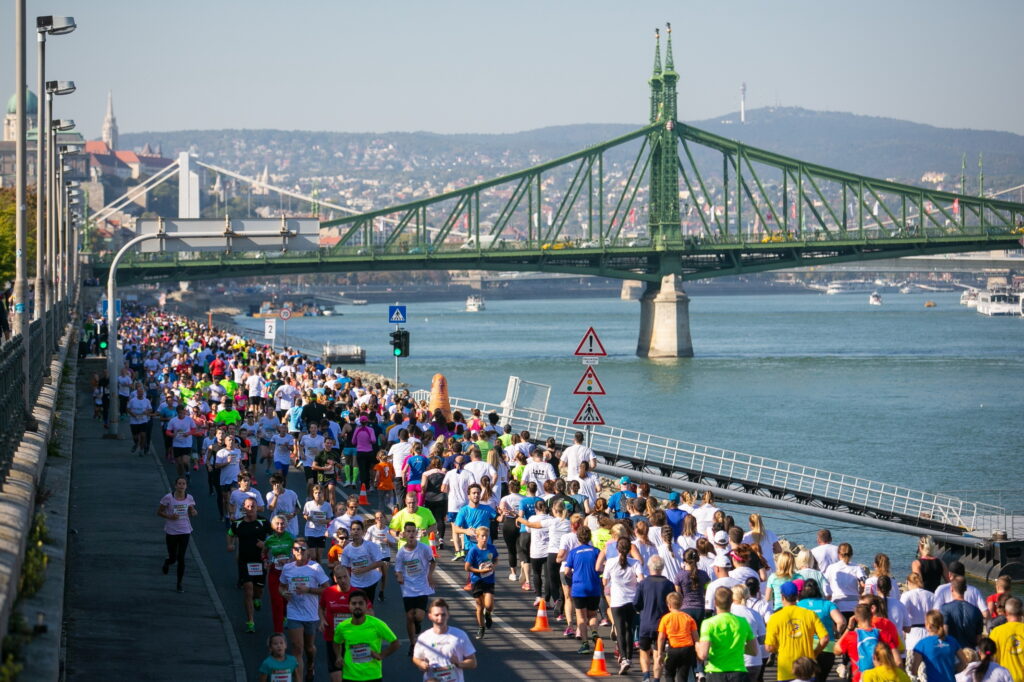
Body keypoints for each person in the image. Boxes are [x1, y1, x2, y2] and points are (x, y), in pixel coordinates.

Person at [280, 539, 330, 682]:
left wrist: (308, 589)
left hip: (311, 614)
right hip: (294, 612)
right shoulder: (288, 568)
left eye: (303, 549)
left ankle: (311, 665)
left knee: (309, 647)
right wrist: (284, 594)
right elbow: (281, 587)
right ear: (293, 551)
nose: (300, 551)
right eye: (297, 549)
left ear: (307, 551)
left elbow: (327, 589)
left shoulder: (315, 568)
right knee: (297, 648)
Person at [766, 581, 829, 682]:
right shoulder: (810, 614)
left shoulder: (774, 618)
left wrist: (779, 648)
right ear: (798, 595)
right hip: (807, 667)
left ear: (782, 597)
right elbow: (825, 638)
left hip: (785, 669)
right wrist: (814, 653)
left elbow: (769, 647)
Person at [332, 590, 399, 682]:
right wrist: (338, 656)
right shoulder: (342, 626)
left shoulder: (377, 624)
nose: (357, 606)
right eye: (354, 603)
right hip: (350, 676)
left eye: (360, 603)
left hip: (372, 675)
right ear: (349, 606)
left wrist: (381, 655)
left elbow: (395, 643)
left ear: (366, 605)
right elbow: (336, 642)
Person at [696, 586, 759, 682]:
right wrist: (736, 647)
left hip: (716, 672)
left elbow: (703, 655)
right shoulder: (742, 622)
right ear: (732, 601)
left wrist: (697, 645)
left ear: (715, 602)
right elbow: (754, 651)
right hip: (738, 672)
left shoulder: (708, 623)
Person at [602, 535, 644, 675]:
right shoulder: (635, 563)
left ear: (617, 548)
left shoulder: (611, 562)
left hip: (617, 600)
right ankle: (629, 657)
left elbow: (605, 581)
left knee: (620, 630)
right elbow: (641, 580)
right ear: (629, 549)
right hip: (631, 600)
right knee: (629, 630)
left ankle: (624, 658)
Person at [394, 521, 436, 656]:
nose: (411, 534)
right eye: (409, 531)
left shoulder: (424, 548)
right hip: (407, 588)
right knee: (409, 616)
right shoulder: (401, 553)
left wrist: (429, 575)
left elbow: (432, 562)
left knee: (418, 616)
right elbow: (398, 569)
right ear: (404, 534)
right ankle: (413, 644)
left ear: (416, 533)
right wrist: (399, 577)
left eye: (413, 531)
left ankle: (418, 622)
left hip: (422, 586)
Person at [229, 497, 270, 633]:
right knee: (248, 590)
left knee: (258, 590)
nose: (250, 509)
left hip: (260, 561)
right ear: (243, 508)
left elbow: (275, 536)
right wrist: (230, 544)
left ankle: (258, 599)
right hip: (244, 561)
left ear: (256, 507)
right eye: (247, 506)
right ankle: (250, 621)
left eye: (252, 506)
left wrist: (265, 545)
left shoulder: (264, 522)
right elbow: (230, 534)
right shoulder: (238, 523)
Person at [412, 598, 478, 682]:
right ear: (430, 616)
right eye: (436, 615)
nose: (440, 618)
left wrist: (459, 664)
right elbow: (416, 658)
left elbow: (473, 663)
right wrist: (421, 664)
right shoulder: (424, 637)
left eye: (443, 615)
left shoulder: (460, 635)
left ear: (448, 615)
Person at [634, 555, 675, 682]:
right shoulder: (669, 584)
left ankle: (646, 676)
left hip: (646, 622)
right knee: (659, 653)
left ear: (649, 567)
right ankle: (656, 678)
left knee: (644, 650)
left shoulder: (643, 584)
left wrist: (641, 608)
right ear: (662, 568)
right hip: (662, 625)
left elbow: (636, 603)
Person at [838, 603, 901, 682]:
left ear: (856, 618)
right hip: (881, 678)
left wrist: (849, 628)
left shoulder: (851, 636)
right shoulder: (883, 634)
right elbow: (898, 661)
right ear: (872, 616)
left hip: (859, 678)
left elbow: (836, 650)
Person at [797, 578, 845, 682]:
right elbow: (841, 621)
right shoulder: (827, 604)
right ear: (818, 589)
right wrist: (837, 632)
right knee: (821, 678)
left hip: (805, 647)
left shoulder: (798, 605)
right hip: (827, 646)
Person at [564, 525, 602, 655]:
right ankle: (595, 632)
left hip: (579, 588)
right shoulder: (596, 551)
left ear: (578, 538)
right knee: (592, 614)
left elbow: (567, 571)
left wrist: (572, 574)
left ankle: (585, 644)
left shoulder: (573, 553)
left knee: (581, 617)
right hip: (594, 586)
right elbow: (601, 568)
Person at [318, 565, 359, 682]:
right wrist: (322, 620)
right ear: (335, 579)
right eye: (339, 578)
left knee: (353, 675)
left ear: (349, 576)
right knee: (336, 677)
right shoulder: (328, 592)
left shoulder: (357, 593)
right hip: (332, 638)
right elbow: (321, 608)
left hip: (352, 639)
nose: (343, 580)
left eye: (345, 577)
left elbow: (369, 613)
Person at [157, 475, 198, 593]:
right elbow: (159, 512)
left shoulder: (189, 497)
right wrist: (169, 516)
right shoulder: (168, 498)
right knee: (173, 557)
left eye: (183, 484)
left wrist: (194, 511)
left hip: (185, 530)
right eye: (179, 484)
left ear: (186, 486)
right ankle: (167, 562)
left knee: (181, 558)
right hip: (171, 531)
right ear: (175, 486)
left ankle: (179, 583)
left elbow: (192, 510)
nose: (181, 486)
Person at [911, 610, 969, 682]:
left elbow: (914, 670)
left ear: (928, 625)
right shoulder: (952, 641)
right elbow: (965, 662)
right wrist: (953, 670)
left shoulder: (922, 644)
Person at [464, 526, 499, 640]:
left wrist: (494, 565)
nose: (485, 539)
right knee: (479, 606)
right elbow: (467, 567)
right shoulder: (473, 550)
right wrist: (480, 571)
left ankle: (488, 614)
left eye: (486, 536)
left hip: (489, 580)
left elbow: (496, 558)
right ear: (477, 537)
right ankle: (481, 627)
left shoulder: (491, 548)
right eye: (482, 536)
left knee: (488, 605)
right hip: (477, 580)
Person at [657, 591, 700, 682]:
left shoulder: (665, 618)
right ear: (681, 604)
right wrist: (698, 651)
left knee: (669, 673)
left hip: (673, 648)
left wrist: (660, 653)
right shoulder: (688, 618)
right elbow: (696, 637)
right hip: (687, 649)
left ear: (669, 605)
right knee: (683, 675)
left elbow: (661, 637)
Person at [341, 519, 386, 604]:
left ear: (363, 532)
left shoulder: (370, 546)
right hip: (355, 583)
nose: (356, 532)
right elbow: (344, 567)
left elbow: (380, 562)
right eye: (353, 529)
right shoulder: (347, 549)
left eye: (358, 529)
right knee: (357, 605)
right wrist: (346, 580)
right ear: (350, 532)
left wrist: (364, 569)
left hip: (370, 581)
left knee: (368, 606)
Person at [940, 576, 984, 648]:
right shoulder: (976, 611)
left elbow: (944, 633)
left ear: (951, 589)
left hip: (952, 651)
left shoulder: (945, 609)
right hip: (970, 652)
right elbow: (979, 638)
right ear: (965, 589)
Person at [824, 542, 865, 617]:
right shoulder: (857, 567)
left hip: (837, 606)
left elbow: (825, 585)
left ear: (838, 554)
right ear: (851, 554)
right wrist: (860, 593)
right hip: (854, 606)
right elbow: (863, 584)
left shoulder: (831, 568)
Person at [989, 597, 1024, 682]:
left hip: (1004, 678)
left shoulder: (996, 632)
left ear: (1006, 613)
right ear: (1022, 612)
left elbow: (989, 656)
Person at [303, 484, 334, 563]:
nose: (318, 495)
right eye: (316, 493)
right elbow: (304, 515)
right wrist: (307, 518)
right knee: (313, 556)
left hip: (321, 532)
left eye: (319, 492)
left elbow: (329, 519)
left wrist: (323, 521)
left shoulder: (327, 505)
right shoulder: (308, 504)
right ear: (313, 494)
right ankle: (312, 569)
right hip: (311, 531)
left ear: (323, 493)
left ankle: (318, 571)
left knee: (319, 556)